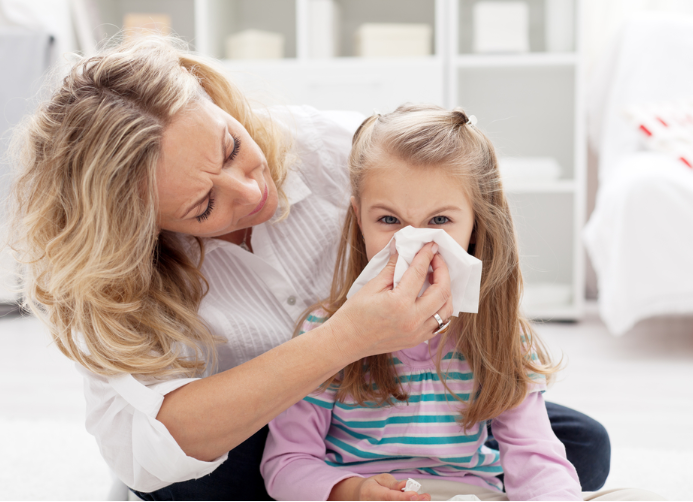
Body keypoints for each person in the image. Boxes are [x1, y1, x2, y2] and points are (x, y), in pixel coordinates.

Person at [8, 37, 607, 500]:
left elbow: (464, 209)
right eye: (203, 206)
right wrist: (344, 340)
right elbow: (146, 453)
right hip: (259, 428)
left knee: (580, 446)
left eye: (231, 148)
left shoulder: (345, 153)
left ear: (214, 100)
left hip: (381, 405)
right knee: (192, 483)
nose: (251, 191)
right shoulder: (110, 276)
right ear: (141, 228)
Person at [261, 105, 662, 501]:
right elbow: (287, 463)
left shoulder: (496, 334)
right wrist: (355, 492)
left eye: (440, 221)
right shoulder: (324, 332)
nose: (414, 244)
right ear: (359, 217)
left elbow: (535, 457)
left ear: (476, 223)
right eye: (388, 220)